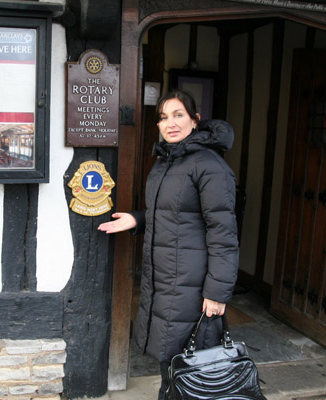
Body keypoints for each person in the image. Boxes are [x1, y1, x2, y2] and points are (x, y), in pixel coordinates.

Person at [98, 89, 239, 399]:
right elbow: (176, 213)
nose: (170, 123)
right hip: (166, 279)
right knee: (173, 365)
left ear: (195, 120)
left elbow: (223, 234)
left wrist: (217, 293)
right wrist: (137, 219)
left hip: (192, 283)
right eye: (163, 117)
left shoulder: (210, 165)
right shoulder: (168, 160)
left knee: (193, 368)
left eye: (178, 115)